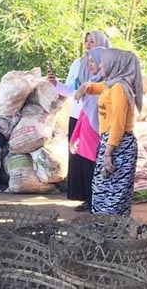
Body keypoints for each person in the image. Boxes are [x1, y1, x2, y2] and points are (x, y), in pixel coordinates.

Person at [48, 30, 110, 212]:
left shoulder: (108, 65)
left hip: (98, 119)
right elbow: (72, 91)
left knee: (94, 159)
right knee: (80, 159)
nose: (89, 44)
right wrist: (55, 84)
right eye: (87, 41)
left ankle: (98, 199)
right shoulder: (78, 64)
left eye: (93, 41)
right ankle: (86, 198)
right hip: (79, 115)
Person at [76, 48, 142, 216]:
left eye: (103, 63)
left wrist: (108, 153)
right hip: (111, 143)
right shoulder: (112, 84)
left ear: (115, 65)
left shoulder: (119, 89)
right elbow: (96, 87)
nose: (100, 65)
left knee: (111, 195)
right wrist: (85, 88)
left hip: (119, 146)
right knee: (102, 191)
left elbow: (118, 124)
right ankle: (107, 232)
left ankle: (110, 233)